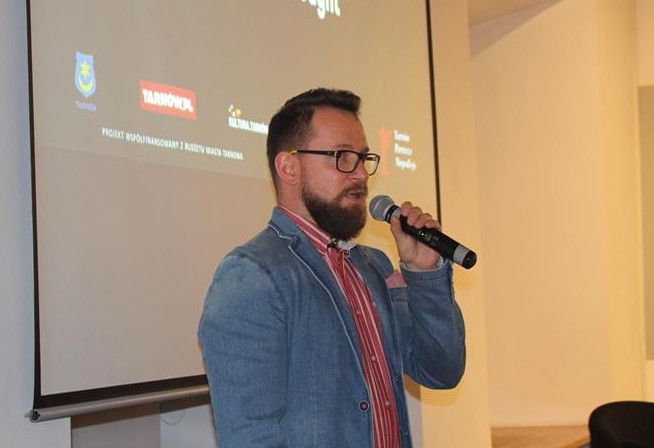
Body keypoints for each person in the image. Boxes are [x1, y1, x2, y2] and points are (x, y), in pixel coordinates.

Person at [198, 88, 466, 447]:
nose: (361, 175)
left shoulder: (373, 266)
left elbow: (441, 370)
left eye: (363, 158)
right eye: (342, 157)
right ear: (289, 167)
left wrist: (424, 274)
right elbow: (251, 437)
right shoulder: (252, 276)